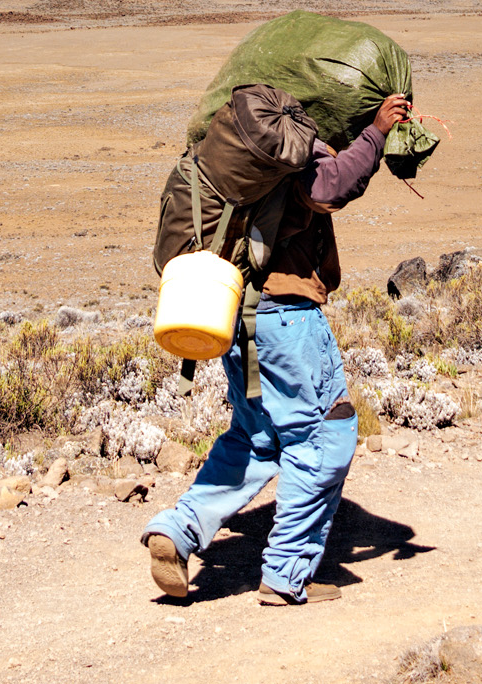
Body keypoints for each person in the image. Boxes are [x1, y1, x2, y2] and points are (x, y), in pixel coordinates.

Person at [141, 90, 412, 606]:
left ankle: (177, 531)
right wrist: (376, 133)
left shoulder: (229, 150)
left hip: (236, 316)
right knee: (325, 434)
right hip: (288, 320)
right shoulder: (289, 148)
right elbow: (334, 186)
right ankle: (287, 572)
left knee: (258, 436)